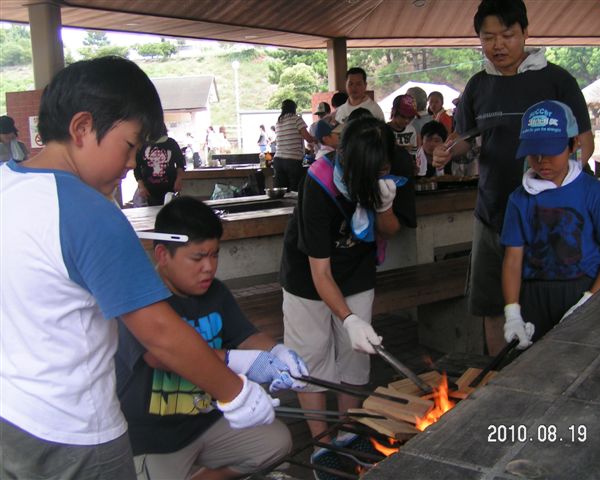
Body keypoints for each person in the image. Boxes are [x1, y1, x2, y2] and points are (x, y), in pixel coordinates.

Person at [0, 56, 293, 480]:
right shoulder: (89, 211)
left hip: (11, 417)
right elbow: (161, 333)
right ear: (83, 128)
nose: (133, 163)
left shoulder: (7, 186)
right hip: (78, 432)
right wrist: (235, 393)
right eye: (130, 145)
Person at [433, 0, 594, 355]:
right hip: (491, 214)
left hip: (547, 218)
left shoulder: (556, 80)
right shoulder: (478, 86)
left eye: (507, 35)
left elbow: (585, 143)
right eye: (488, 37)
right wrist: (447, 151)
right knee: (493, 303)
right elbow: (464, 142)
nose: (498, 45)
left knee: (543, 300)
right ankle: (500, 377)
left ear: (525, 33)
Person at [117, 196, 309, 480]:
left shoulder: (215, 292)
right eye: (197, 257)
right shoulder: (141, 301)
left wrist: (278, 352)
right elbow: (161, 356)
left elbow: (246, 336)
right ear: (162, 254)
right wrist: (239, 360)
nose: (209, 267)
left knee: (276, 443)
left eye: (214, 254)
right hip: (156, 438)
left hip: (209, 420)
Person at [279, 117, 411, 473]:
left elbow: (394, 230)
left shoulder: (397, 164)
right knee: (312, 354)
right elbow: (319, 271)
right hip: (308, 277)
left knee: (356, 355)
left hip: (356, 270)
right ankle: (322, 444)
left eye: (379, 169)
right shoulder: (319, 183)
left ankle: (348, 431)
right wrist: (349, 319)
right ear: (343, 157)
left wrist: (383, 208)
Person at [501, 100, 600, 350]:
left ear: (574, 144)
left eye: (551, 151)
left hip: (586, 287)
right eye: (534, 152)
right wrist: (512, 311)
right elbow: (513, 259)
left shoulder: (593, 192)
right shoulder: (520, 198)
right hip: (535, 295)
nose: (541, 160)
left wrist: (588, 300)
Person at [134, 126, 186, 206]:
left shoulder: (171, 143)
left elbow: (180, 163)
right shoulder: (143, 145)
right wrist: (141, 186)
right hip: (149, 191)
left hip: (170, 189)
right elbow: (136, 167)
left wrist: (179, 179)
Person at [273, 99, 315, 191]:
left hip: (278, 160)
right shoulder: (297, 119)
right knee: (295, 191)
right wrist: (319, 138)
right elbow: (308, 138)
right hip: (292, 161)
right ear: (294, 108)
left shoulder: (278, 121)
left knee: (282, 191)